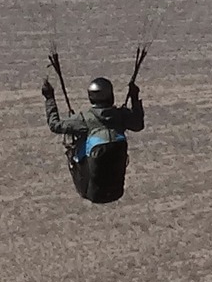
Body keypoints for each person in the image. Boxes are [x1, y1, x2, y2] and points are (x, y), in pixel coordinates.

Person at [42, 72, 144, 204]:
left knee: (75, 147)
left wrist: (49, 98)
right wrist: (135, 98)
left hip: (89, 190)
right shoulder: (120, 116)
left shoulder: (84, 119)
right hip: (116, 191)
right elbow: (138, 124)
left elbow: (55, 125)